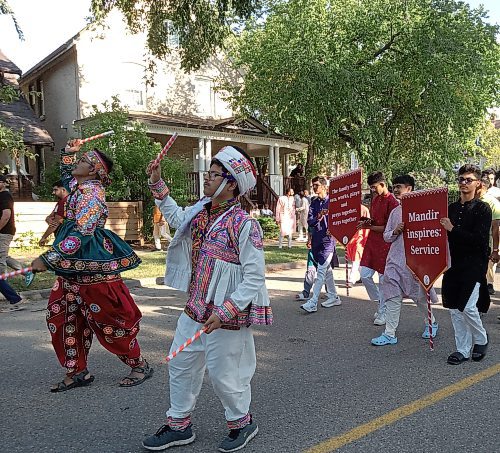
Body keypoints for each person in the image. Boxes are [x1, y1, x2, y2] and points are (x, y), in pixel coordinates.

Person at [142, 145, 272, 452]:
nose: (206, 179)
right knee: (181, 363)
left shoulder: (243, 224)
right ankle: (179, 425)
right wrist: (157, 183)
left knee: (225, 374)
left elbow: (255, 276)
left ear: (231, 183)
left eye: (214, 175)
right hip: (195, 308)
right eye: (208, 173)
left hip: (225, 315)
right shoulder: (201, 211)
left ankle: (242, 422)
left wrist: (227, 310)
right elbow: (175, 217)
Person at [30, 140, 152, 391]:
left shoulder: (92, 196)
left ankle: (139, 364)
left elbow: (82, 232)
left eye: (84, 161)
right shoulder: (79, 187)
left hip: (92, 267)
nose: (78, 163)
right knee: (63, 317)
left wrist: (47, 259)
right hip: (70, 270)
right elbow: (67, 178)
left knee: (109, 321)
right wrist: (67, 153)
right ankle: (77, 371)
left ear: (95, 170)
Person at [371, 175, 439, 346]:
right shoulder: (395, 212)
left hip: (415, 264)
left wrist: (427, 266)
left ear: (409, 189)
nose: (395, 189)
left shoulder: (424, 211)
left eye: (399, 186)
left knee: (420, 298)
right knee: (392, 297)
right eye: (394, 186)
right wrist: (395, 231)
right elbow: (386, 237)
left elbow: (431, 237)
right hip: (395, 262)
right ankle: (389, 334)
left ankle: (431, 323)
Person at [440, 164, 490, 365]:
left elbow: (479, 240)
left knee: (468, 307)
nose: (463, 183)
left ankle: (481, 338)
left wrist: (452, 229)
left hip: (474, 264)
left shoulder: (482, 208)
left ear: (477, 183)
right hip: (453, 263)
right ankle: (462, 349)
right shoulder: (451, 208)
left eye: (468, 180)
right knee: (454, 309)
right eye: (461, 179)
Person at [357, 171, 399, 326]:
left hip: (385, 244)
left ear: (383, 184)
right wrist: (365, 222)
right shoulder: (375, 199)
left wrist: (370, 226)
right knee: (364, 274)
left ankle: (383, 311)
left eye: (374, 187)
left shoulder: (393, 202)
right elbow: (374, 220)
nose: (372, 190)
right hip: (372, 241)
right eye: (371, 188)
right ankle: (381, 302)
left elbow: (389, 228)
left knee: (383, 280)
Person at [300, 176, 341, 313]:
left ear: (324, 186)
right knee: (326, 270)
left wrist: (335, 230)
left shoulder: (333, 202)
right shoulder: (314, 202)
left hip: (328, 241)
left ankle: (313, 301)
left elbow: (340, 220)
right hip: (317, 238)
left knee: (321, 271)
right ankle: (334, 296)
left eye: (316, 185)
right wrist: (319, 217)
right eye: (313, 185)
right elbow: (310, 221)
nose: (314, 187)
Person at [0, 174, 35, 298]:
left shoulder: (5, 196)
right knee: (4, 255)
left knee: (1, 259)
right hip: (3, 232)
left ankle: (3, 286)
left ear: (4, 183)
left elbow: (6, 215)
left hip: (4, 232)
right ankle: (27, 272)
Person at [477, 172, 500, 295]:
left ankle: (489, 284)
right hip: (472, 241)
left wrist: (495, 249)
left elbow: (495, 228)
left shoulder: (493, 203)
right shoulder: (469, 199)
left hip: (487, 240)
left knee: (488, 265)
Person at [345, 204, 370, 286]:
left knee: (356, 258)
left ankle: (351, 280)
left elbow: (367, 225)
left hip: (360, 237)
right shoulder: (347, 209)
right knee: (356, 259)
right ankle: (362, 276)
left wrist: (365, 238)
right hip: (350, 238)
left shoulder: (364, 209)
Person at [38, 180, 68, 247]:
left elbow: (55, 223)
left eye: (55, 190)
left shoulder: (64, 202)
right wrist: (48, 219)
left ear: (63, 190)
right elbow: (51, 216)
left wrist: (44, 237)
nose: (53, 193)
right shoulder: (60, 202)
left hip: (64, 235)